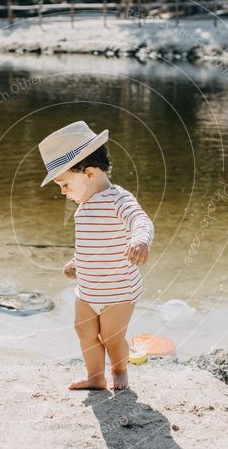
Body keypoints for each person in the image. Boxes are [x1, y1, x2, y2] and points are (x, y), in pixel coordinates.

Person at [38, 121, 154, 391]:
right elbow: (92, 244)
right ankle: (95, 376)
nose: (62, 191)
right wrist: (76, 262)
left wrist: (140, 239)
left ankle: (119, 370)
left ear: (89, 173)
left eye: (64, 184)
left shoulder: (118, 199)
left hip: (118, 291)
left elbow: (141, 220)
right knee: (84, 331)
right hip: (88, 291)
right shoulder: (84, 207)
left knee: (112, 337)